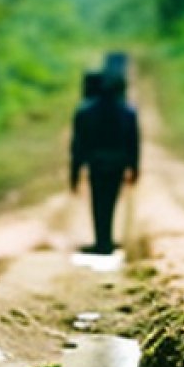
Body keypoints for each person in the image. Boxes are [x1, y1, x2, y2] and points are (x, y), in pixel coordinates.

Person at [69, 70, 140, 255]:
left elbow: (78, 146)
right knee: (111, 201)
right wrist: (134, 167)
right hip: (117, 164)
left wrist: (75, 173)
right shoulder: (127, 111)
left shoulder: (85, 111)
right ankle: (105, 240)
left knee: (98, 202)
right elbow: (133, 142)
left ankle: (102, 241)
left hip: (97, 164)